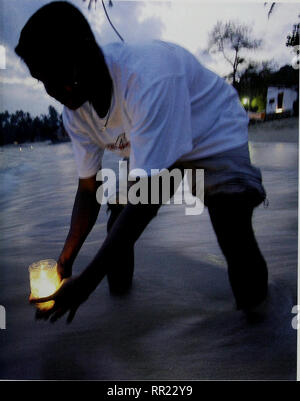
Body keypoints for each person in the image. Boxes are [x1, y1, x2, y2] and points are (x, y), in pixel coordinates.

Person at [15, 1, 268, 323]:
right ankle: (123, 317)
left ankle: (259, 327)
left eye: (56, 76)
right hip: (152, 144)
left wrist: (86, 284)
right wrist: (65, 263)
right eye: (42, 81)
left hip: (211, 135)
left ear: (84, 54)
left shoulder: (149, 78)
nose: (52, 91)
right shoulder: (75, 112)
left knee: (232, 225)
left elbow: (145, 203)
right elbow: (88, 191)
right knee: (116, 221)